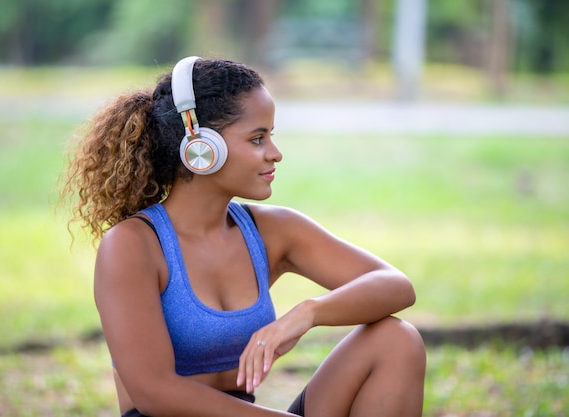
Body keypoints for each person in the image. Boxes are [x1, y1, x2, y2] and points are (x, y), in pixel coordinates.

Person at [61, 56, 426, 417]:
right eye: (257, 139)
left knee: (397, 341)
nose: (275, 153)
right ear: (201, 148)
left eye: (271, 136)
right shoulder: (133, 245)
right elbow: (154, 392)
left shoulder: (270, 231)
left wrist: (308, 313)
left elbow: (395, 285)